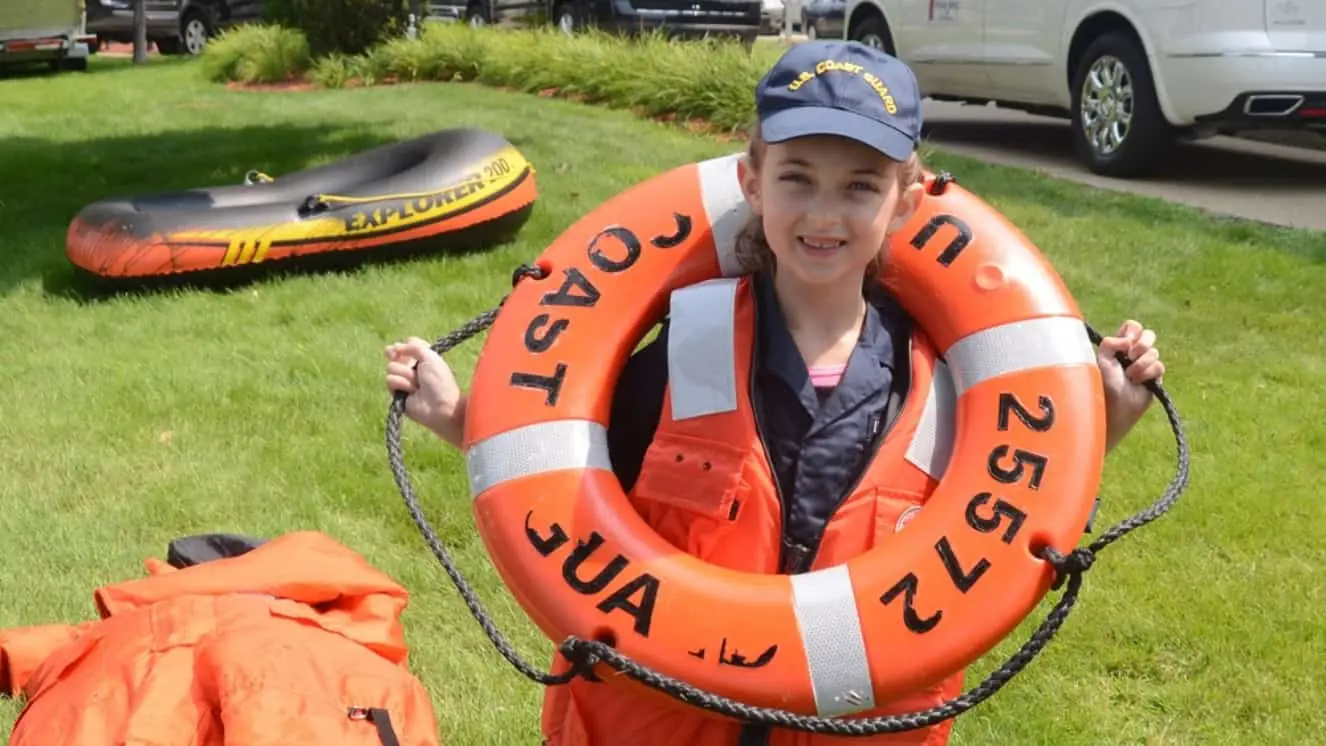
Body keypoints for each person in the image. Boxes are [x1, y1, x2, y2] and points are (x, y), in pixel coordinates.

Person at [384, 40, 1166, 746]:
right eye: (798, 179)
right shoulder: (678, 355)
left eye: (859, 187)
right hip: (662, 719)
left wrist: (1103, 420)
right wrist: (461, 419)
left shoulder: (949, 387)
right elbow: (569, 478)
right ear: (753, 183)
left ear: (904, 201)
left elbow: (1014, 503)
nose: (825, 213)